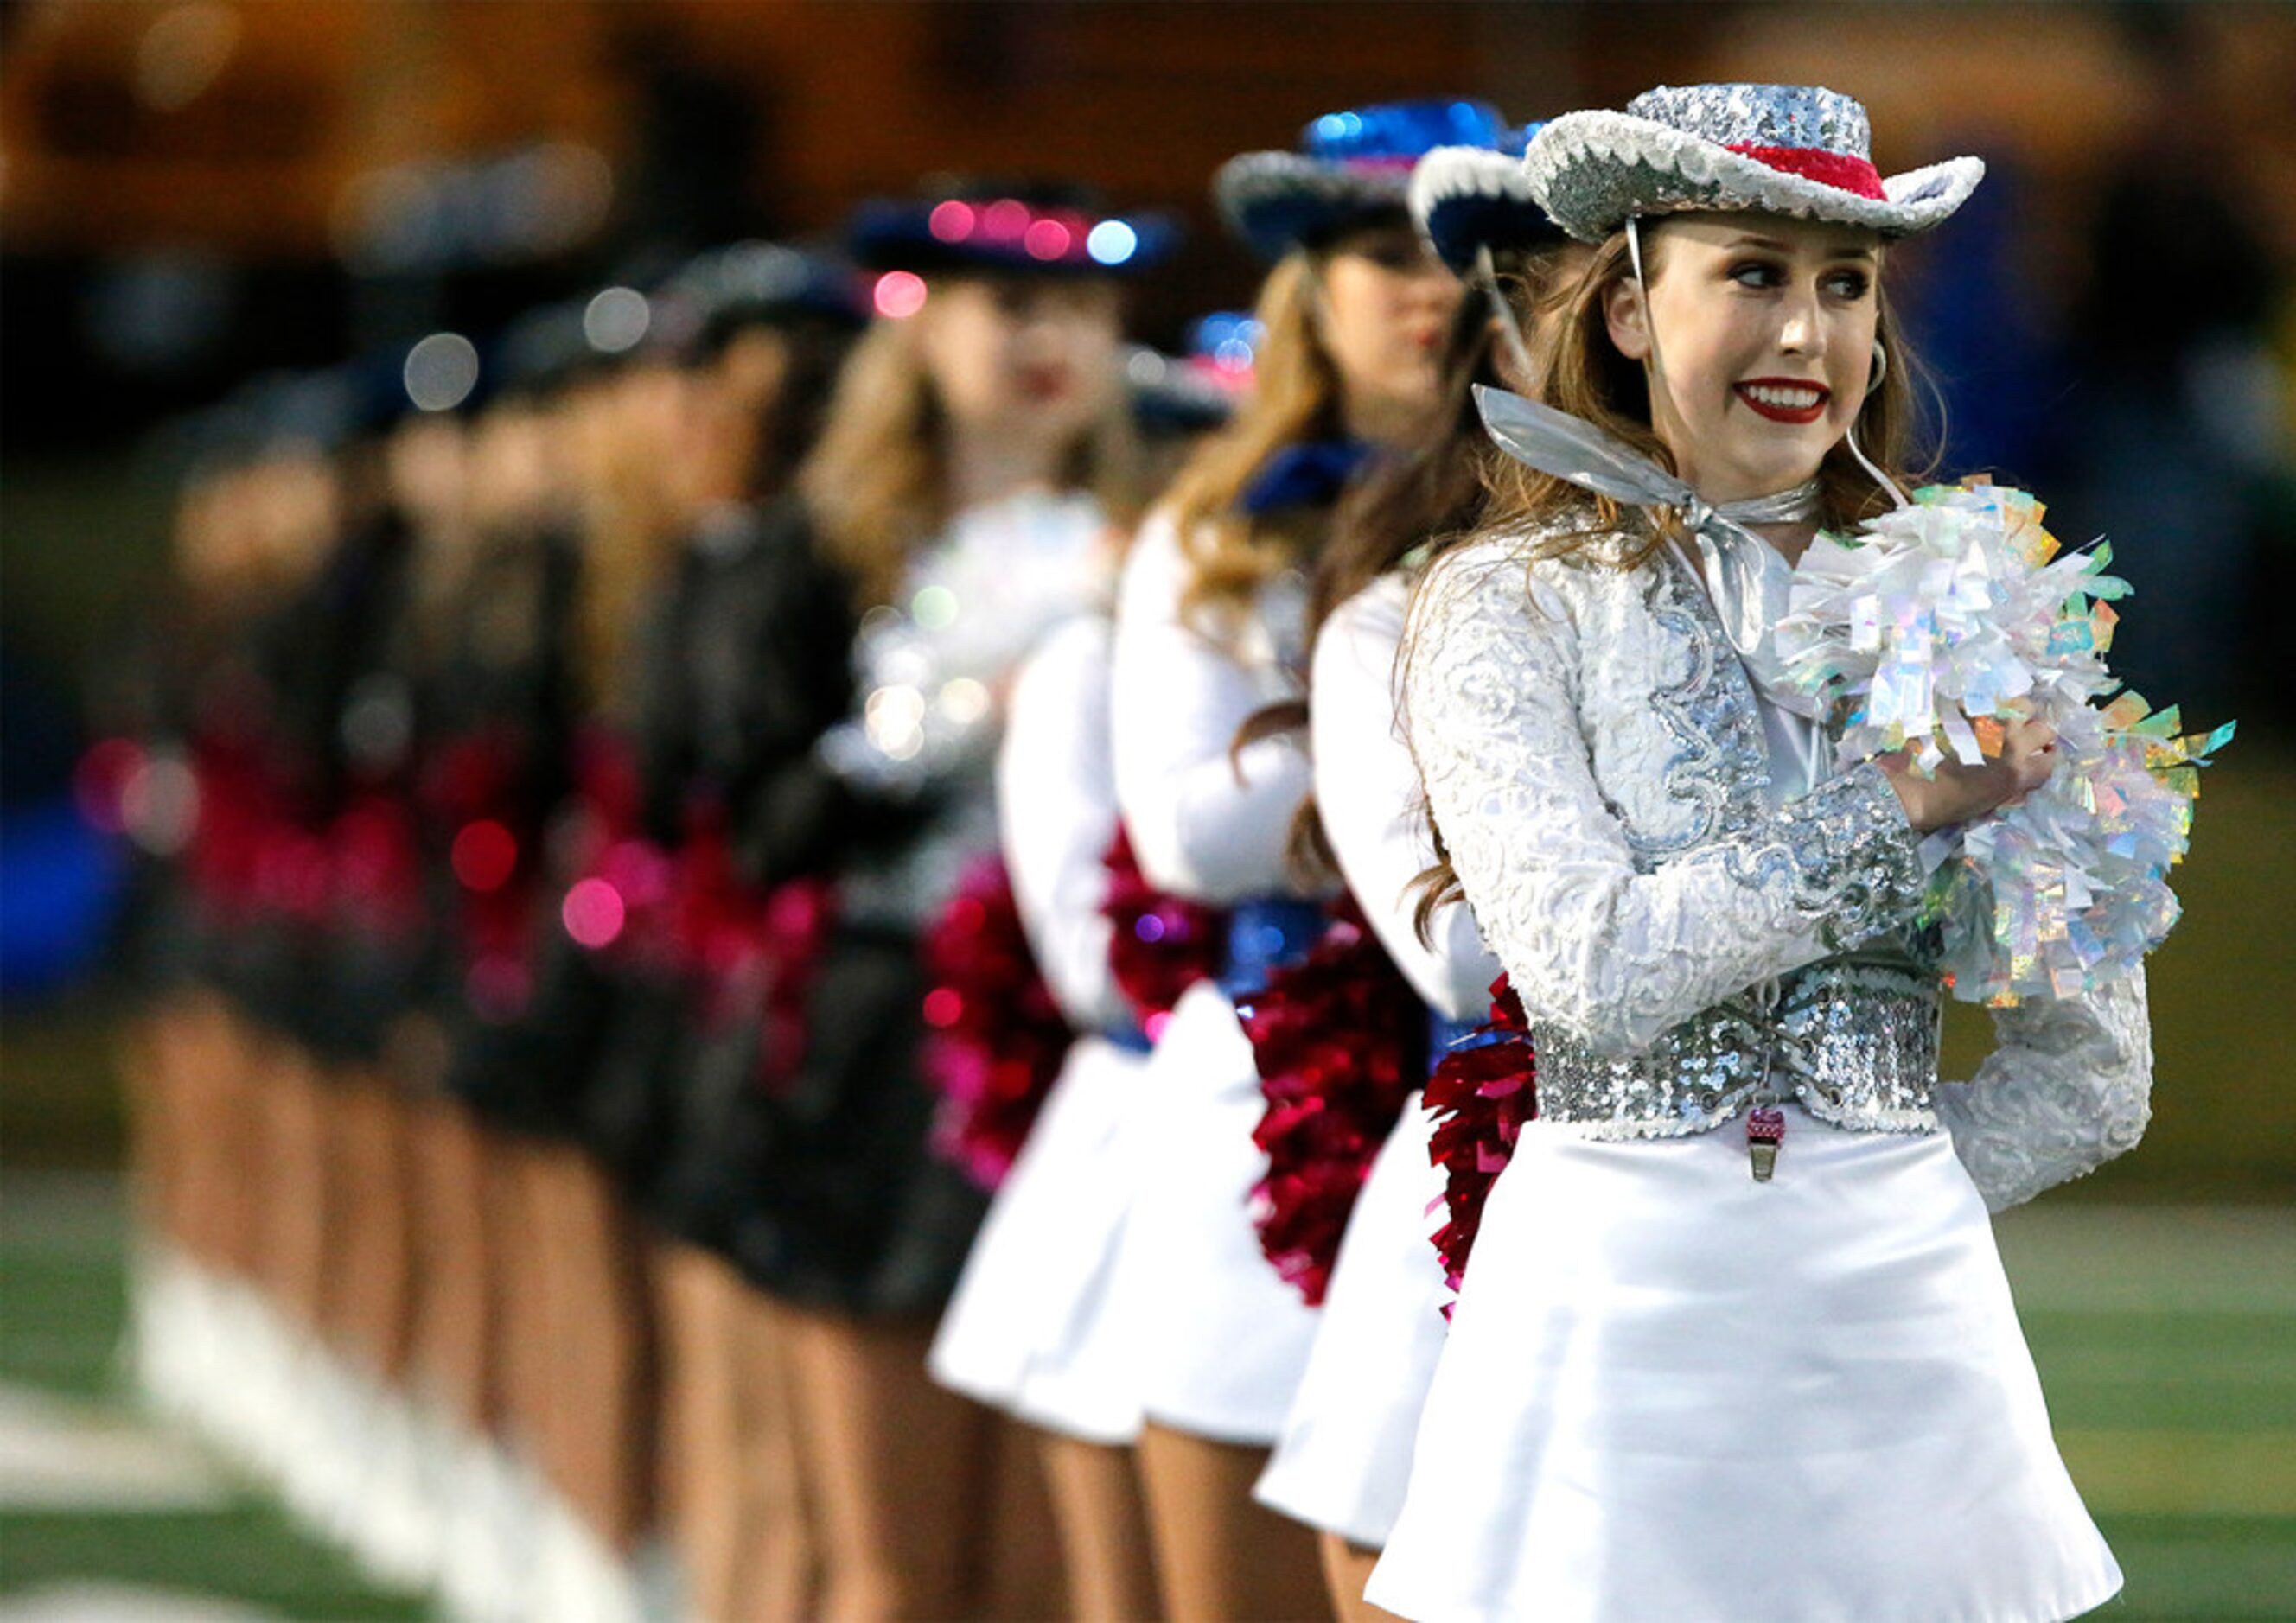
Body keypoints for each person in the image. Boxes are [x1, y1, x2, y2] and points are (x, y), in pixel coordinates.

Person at [1364, 84, 2152, 1622]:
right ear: (1635, 308)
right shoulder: (1505, 599)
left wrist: (1875, 1182)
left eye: (1844, 283)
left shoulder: (1983, 604)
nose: (1807, 333)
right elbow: (1587, 969)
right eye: (1753, 272)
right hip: (1608, 1309)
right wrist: (1899, 808)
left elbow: (2095, 1072)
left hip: (1907, 1338)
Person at [682, 179, 1161, 1621]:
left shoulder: (1170, 541)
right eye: (1015, 303)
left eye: (1083, 304)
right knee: (885, 1565)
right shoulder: (821, 551)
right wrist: (958, 713)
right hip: (885, 1048)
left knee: (1046, 1567)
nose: (1054, 339)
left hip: (1094, 1057)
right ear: (921, 326)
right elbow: (759, 826)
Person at [1103, 99, 1489, 1620]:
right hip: (1277, 1090)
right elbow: (1187, 837)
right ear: (1305, 291)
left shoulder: (1569, 522)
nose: (1430, 287)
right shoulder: (1216, 530)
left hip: (1495, 1094)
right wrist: (1435, 783)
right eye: (1382, 252)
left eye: (1461, 251)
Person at [1247, 131, 1582, 1623]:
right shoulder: (1396, 612)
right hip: (1485, 1208)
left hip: (1772, 1235)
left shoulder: (1827, 601)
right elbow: (1460, 962)